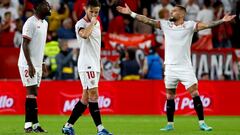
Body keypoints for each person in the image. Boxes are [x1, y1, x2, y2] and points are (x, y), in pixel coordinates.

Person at [117, 3, 235, 131]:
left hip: (185, 67)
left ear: (182, 14)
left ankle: (202, 123)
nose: (171, 13)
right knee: (169, 96)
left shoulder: (190, 25)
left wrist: (222, 20)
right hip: (170, 67)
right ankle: (170, 124)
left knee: (195, 93)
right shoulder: (166, 25)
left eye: (174, 11)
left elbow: (206, 25)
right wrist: (131, 13)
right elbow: (147, 21)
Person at [62, 0, 113, 135]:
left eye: (96, 12)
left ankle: (68, 126)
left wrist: (100, 62)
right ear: (86, 9)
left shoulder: (97, 24)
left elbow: (96, 44)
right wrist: (93, 22)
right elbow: (84, 35)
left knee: (85, 98)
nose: (94, 14)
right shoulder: (81, 23)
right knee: (94, 95)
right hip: (86, 64)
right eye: (91, 11)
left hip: (94, 63)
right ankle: (100, 129)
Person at [17, 0, 51, 133]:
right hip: (27, 64)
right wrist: (30, 65)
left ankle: (32, 125)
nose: (49, 7)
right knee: (32, 92)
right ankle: (30, 125)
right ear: (37, 7)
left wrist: (42, 63)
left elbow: (39, 46)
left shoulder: (45, 23)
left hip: (37, 64)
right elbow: (25, 44)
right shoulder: (30, 23)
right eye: (45, 5)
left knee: (33, 95)